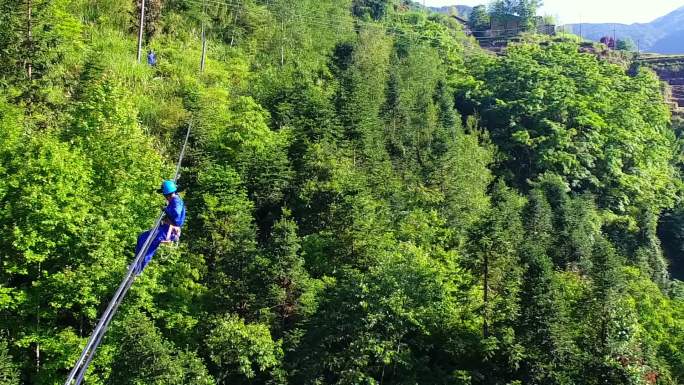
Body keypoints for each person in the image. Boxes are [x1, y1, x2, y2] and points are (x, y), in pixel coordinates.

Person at [134, 180, 186, 274]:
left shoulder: (176, 201)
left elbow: (177, 217)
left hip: (167, 231)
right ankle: (136, 264)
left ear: (167, 195)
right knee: (142, 237)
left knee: (149, 246)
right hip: (164, 229)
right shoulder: (174, 200)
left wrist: (166, 210)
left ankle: (137, 269)